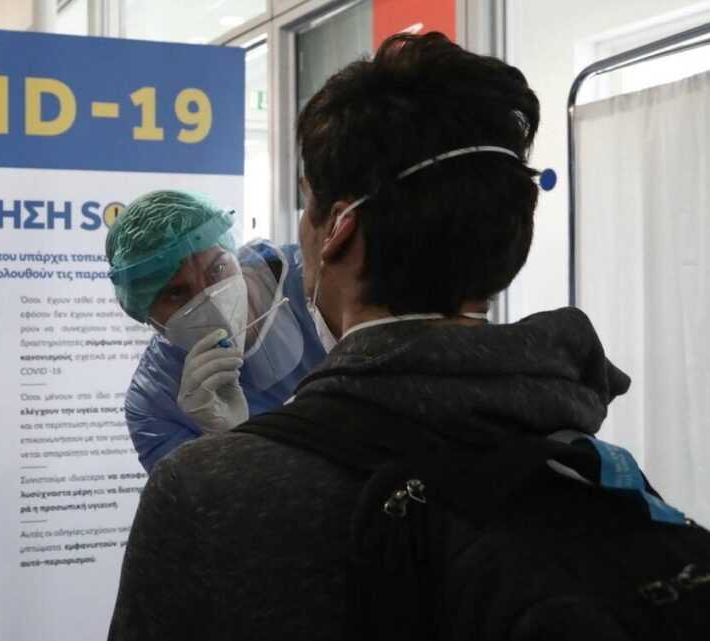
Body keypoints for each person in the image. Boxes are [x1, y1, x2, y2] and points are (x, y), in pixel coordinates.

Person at [108, 33, 705, 640]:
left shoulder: (204, 492)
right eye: (174, 293)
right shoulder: (598, 465)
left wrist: (236, 457)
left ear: (337, 229)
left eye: (309, 205)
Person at [106, 190, 326, 472]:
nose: (211, 298)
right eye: (176, 292)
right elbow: (194, 496)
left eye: (218, 268)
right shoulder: (155, 401)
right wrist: (225, 445)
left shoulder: (316, 280)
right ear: (144, 313)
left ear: (233, 253)